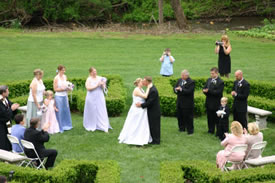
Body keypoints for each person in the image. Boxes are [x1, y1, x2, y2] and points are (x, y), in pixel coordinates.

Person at [118, 78, 152, 145]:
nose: (143, 83)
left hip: (141, 109)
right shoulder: (136, 90)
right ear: (138, 83)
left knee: (141, 123)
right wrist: (148, 88)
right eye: (141, 82)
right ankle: (133, 136)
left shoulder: (141, 89)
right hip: (137, 109)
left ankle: (142, 135)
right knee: (135, 123)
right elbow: (145, 96)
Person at [83, 67, 112, 132]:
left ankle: (102, 125)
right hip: (91, 97)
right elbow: (88, 88)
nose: (95, 73)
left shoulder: (100, 78)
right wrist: (97, 85)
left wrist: (103, 84)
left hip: (99, 96)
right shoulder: (89, 79)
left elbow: (103, 88)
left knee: (101, 110)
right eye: (93, 72)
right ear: (90, 73)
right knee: (92, 110)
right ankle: (92, 123)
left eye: (95, 71)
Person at [136, 76, 161, 144]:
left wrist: (141, 105)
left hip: (154, 111)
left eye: (144, 81)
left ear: (147, 82)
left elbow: (150, 102)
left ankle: (156, 141)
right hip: (152, 111)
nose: (143, 82)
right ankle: (153, 139)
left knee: (155, 126)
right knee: (152, 125)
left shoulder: (153, 90)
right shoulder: (150, 88)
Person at [203, 67, 224, 135]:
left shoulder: (220, 82)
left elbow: (219, 92)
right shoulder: (209, 80)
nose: (211, 75)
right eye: (211, 73)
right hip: (209, 101)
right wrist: (204, 91)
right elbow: (205, 87)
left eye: (213, 73)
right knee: (210, 117)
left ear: (216, 73)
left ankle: (218, 131)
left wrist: (209, 91)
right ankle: (210, 130)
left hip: (216, 102)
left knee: (217, 118)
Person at [174, 70, 195, 135]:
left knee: (188, 117)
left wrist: (181, 89)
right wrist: (176, 89)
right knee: (180, 116)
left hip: (187, 103)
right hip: (180, 101)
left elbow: (189, 91)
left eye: (183, 75)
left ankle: (190, 130)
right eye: (181, 75)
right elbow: (175, 87)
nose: (181, 76)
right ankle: (181, 128)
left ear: (187, 75)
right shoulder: (179, 80)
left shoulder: (191, 82)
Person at [54, 65, 73, 133]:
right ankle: (60, 126)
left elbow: (66, 85)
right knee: (60, 111)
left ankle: (67, 125)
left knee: (66, 110)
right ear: (59, 70)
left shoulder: (65, 76)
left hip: (65, 95)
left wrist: (68, 88)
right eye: (62, 70)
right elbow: (55, 89)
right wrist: (63, 89)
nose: (64, 71)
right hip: (59, 96)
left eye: (64, 70)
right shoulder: (56, 78)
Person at [0, 85, 20, 151]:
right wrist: (11, 109)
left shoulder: (5, 99)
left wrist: (14, 106)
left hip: (7, 123)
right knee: (3, 140)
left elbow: (10, 104)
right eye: (8, 91)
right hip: (1, 125)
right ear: (3, 93)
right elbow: (3, 114)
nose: (9, 92)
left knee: (8, 139)